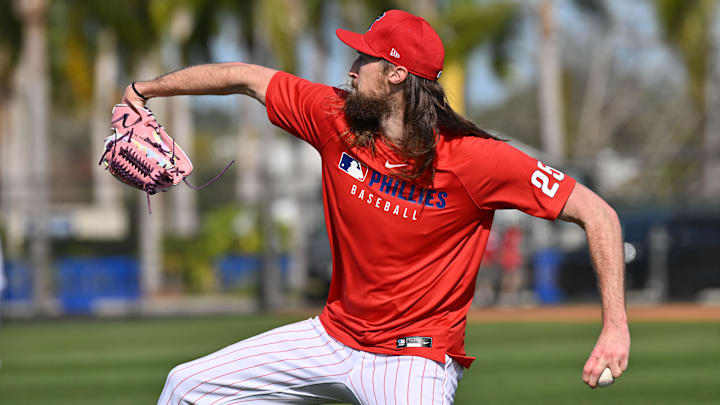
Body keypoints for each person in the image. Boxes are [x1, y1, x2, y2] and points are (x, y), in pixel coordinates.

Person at [125, 9, 629, 404]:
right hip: (330, 338)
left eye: (364, 59)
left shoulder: (476, 160)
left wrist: (614, 326)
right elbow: (247, 77)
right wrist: (144, 91)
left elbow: (598, 213)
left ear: (394, 74)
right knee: (187, 388)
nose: (350, 68)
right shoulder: (333, 119)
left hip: (412, 361)